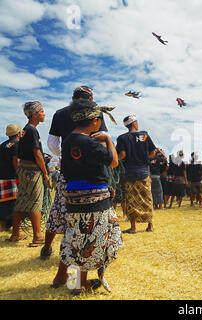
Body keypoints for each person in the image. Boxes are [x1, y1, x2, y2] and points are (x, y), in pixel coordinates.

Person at [59, 99, 123, 295]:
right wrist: (109, 140)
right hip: (95, 199)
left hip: (73, 198)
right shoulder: (90, 142)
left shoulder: (68, 140)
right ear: (95, 121)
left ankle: (75, 284)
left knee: (75, 240)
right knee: (93, 241)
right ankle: (81, 284)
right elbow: (113, 162)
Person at [42, 86, 110, 262]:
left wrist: (67, 153)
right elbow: (103, 138)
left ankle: (48, 246)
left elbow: (51, 144)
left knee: (58, 210)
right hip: (93, 175)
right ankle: (83, 260)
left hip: (68, 172)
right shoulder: (95, 112)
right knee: (89, 220)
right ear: (91, 97)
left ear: (73, 97)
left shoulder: (59, 113)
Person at [9, 102, 48, 246]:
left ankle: (15, 234)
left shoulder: (24, 131)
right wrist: (45, 173)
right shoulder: (32, 130)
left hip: (23, 169)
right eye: (42, 111)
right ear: (35, 114)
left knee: (21, 201)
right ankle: (38, 236)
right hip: (32, 170)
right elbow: (37, 153)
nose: (44, 114)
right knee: (35, 202)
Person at [116, 115, 156, 233]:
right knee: (147, 198)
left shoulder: (122, 138)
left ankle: (133, 227)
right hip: (143, 170)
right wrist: (143, 157)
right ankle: (150, 225)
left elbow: (122, 155)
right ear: (134, 124)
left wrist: (113, 160)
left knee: (131, 199)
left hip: (130, 171)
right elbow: (153, 152)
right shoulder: (144, 136)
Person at [0, 124, 21, 232]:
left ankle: (3, 226)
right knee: (13, 203)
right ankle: (12, 227)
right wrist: (20, 175)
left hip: (2, 176)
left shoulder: (2, 145)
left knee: (3, 202)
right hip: (12, 176)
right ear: (18, 133)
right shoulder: (16, 144)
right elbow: (16, 161)